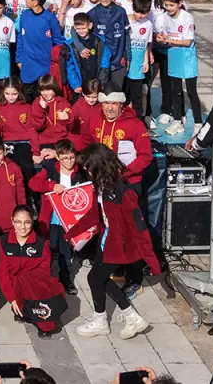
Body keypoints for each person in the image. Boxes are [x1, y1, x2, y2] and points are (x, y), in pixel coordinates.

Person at [74, 144, 160, 339]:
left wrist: (151, 261)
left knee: (95, 278)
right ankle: (125, 318)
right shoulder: (102, 187)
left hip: (119, 246)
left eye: (88, 167)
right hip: (107, 242)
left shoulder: (123, 192)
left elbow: (138, 227)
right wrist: (74, 233)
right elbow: (95, 215)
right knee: (98, 278)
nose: (86, 172)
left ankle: (106, 320)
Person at [0, 205, 69, 339]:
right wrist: (12, 298)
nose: (22, 227)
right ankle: (20, 308)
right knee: (19, 305)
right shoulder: (3, 241)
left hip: (33, 282)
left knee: (47, 323)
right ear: (12, 221)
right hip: (14, 282)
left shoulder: (42, 243)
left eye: (27, 222)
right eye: (18, 222)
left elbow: (44, 273)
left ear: (32, 222)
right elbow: (2, 273)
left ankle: (39, 320)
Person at [29, 139, 91, 289]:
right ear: (57, 157)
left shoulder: (79, 172)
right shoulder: (50, 169)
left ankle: (65, 277)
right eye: (65, 158)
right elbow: (33, 184)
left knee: (65, 249)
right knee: (49, 247)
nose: (69, 162)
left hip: (68, 220)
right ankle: (46, 276)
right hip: (51, 218)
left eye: (71, 157)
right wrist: (51, 185)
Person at [154, 0, 200, 137]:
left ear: (179, 4)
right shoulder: (164, 17)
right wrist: (161, 39)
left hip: (187, 58)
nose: (169, 8)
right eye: (166, 5)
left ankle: (198, 124)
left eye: (172, 5)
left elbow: (187, 41)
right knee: (175, 90)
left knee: (191, 92)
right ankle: (177, 120)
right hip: (173, 56)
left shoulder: (187, 18)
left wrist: (168, 40)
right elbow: (162, 35)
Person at [87, 0, 130, 95]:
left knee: (117, 94)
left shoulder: (121, 12)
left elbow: (126, 35)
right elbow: (78, 29)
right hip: (101, 62)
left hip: (119, 59)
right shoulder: (92, 13)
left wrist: (128, 56)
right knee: (101, 93)